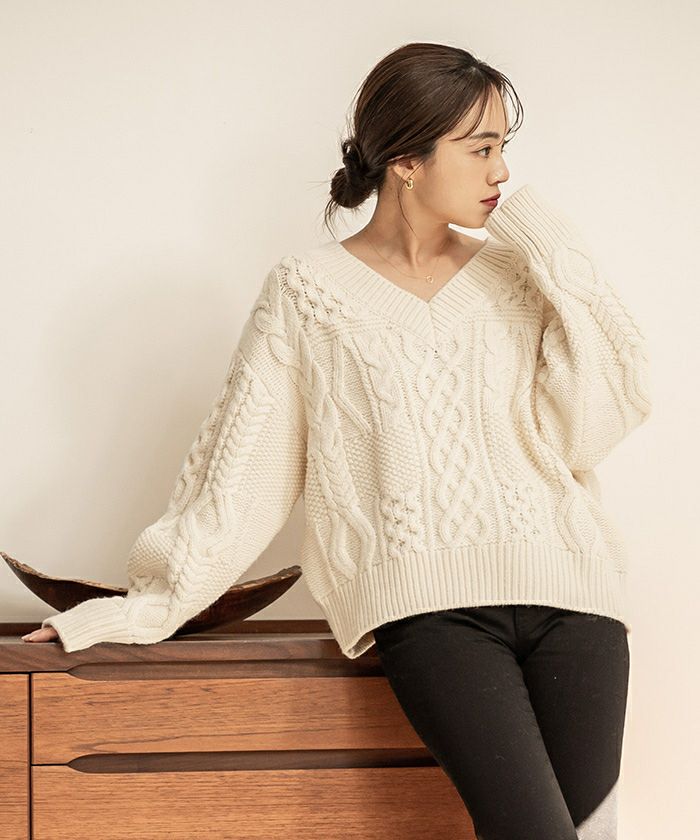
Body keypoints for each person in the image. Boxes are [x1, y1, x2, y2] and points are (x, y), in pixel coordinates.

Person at [23, 42, 651, 840]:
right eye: (481, 149)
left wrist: (553, 247)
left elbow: (593, 426)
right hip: (433, 613)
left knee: (596, 834)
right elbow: (243, 478)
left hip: (575, 597)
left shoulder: (520, 277)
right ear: (407, 161)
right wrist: (143, 607)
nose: (502, 172)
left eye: (504, 148)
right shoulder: (308, 294)